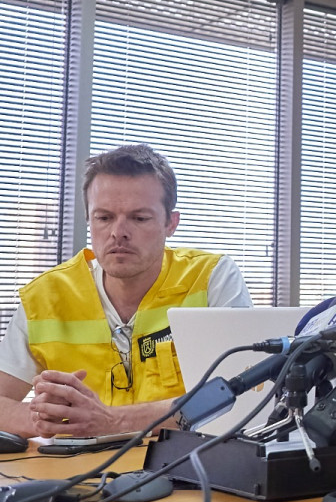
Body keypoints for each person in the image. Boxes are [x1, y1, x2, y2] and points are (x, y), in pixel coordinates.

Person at [0, 144, 252, 439]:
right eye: (104, 218)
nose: (118, 232)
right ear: (89, 221)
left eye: (139, 218)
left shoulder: (212, 279)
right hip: (77, 476)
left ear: (170, 223)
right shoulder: (44, 297)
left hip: (185, 472)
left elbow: (240, 393)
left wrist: (112, 421)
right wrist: (52, 421)